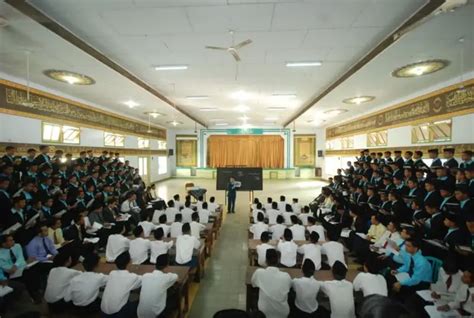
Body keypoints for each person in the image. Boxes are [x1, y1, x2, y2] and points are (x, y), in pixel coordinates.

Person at [251, 249, 292, 318]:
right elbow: (289, 287)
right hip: (282, 313)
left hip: (264, 313)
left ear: (266, 261)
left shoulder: (259, 273)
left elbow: (253, 284)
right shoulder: (286, 276)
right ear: (278, 261)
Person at [101, 251, 142, 317]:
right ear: (129, 263)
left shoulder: (112, 273)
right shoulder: (132, 277)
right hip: (118, 313)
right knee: (139, 303)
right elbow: (143, 280)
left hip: (103, 312)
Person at [137, 254, 178, 318]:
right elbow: (176, 276)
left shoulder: (145, 276)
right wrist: (168, 274)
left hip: (140, 314)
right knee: (175, 294)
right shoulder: (166, 278)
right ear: (167, 266)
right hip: (156, 314)